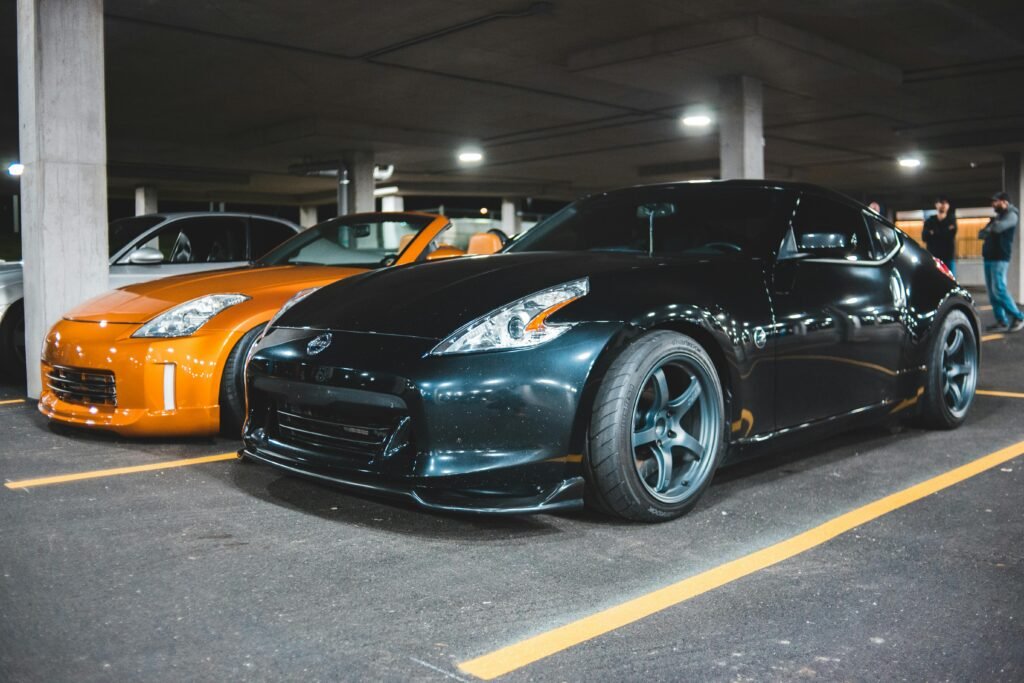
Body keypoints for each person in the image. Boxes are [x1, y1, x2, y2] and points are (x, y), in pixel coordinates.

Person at [979, 191, 1024, 332]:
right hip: (989, 257)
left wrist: (990, 228)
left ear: (1004, 202)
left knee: (999, 289)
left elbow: (998, 229)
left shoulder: (1012, 215)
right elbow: (981, 234)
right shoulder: (998, 217)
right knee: (992, 293)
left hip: (1000, 257)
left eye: (996, 201)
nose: (993, 204)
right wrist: (990, 228)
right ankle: (1001, 321)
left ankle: (1018, 317)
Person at [922, 196, 957, 274]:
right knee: (934, 282)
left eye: (945, 203)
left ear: (948, 206)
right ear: (936, 205)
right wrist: (945, 230)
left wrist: (933, 232)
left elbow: (951, 235)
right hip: (934, 258)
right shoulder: (929, 221)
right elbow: (924, 237)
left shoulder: (951, 220)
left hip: (948, 257)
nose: (943, 205)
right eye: (941, 202)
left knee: (950, 281)